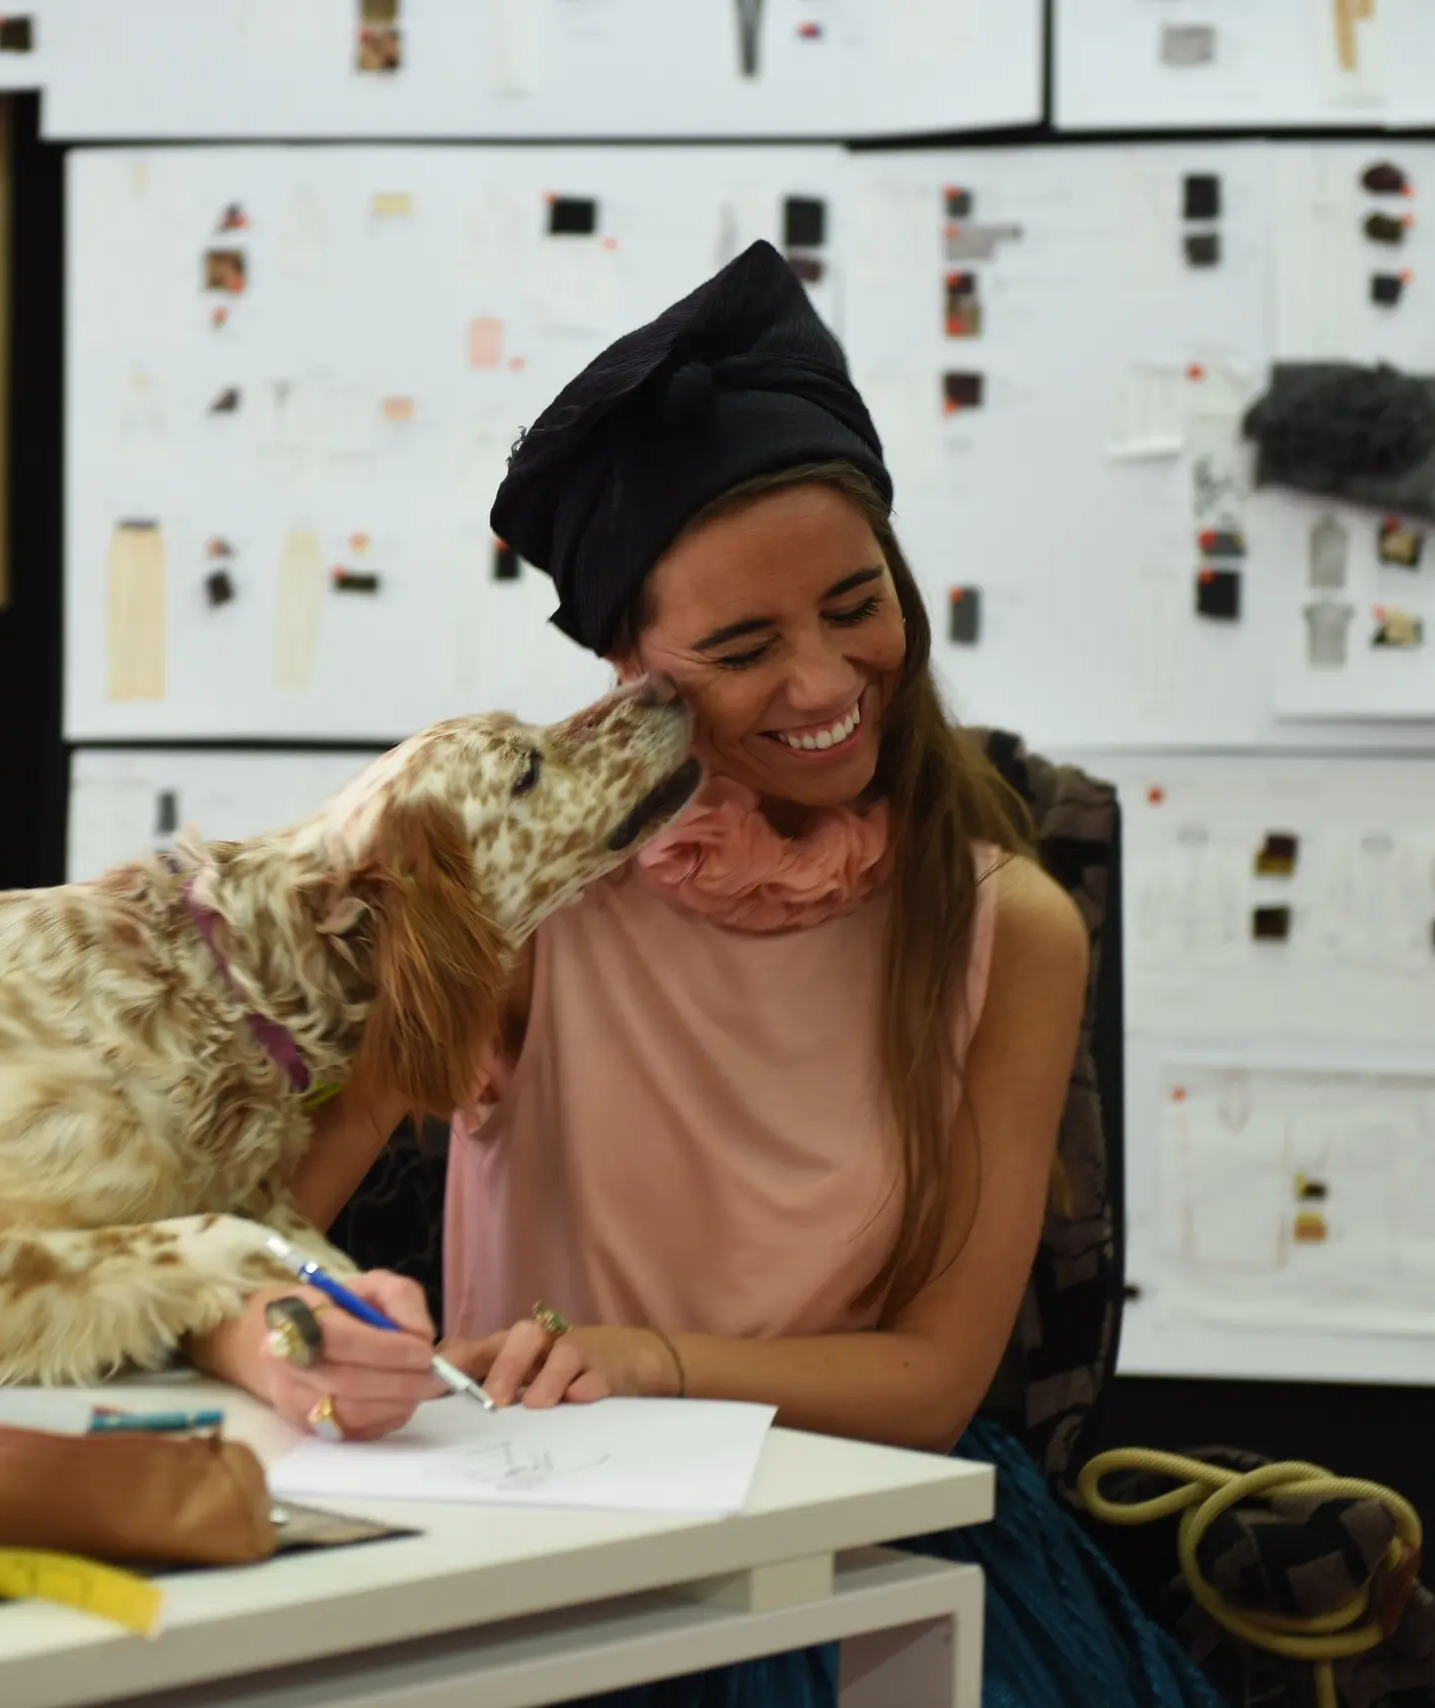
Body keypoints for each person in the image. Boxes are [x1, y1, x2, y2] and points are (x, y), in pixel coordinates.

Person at [188, 242, 1223, 1707]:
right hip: (541, 1531)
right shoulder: (513, 893)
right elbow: (254, 1231)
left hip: (861, 1528)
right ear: (632, 672)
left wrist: (649, 1361)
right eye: (743, 648)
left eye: (856, 605)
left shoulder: (1015, 926)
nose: (822, 682)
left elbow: (931, 1384)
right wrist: (293, 1339)